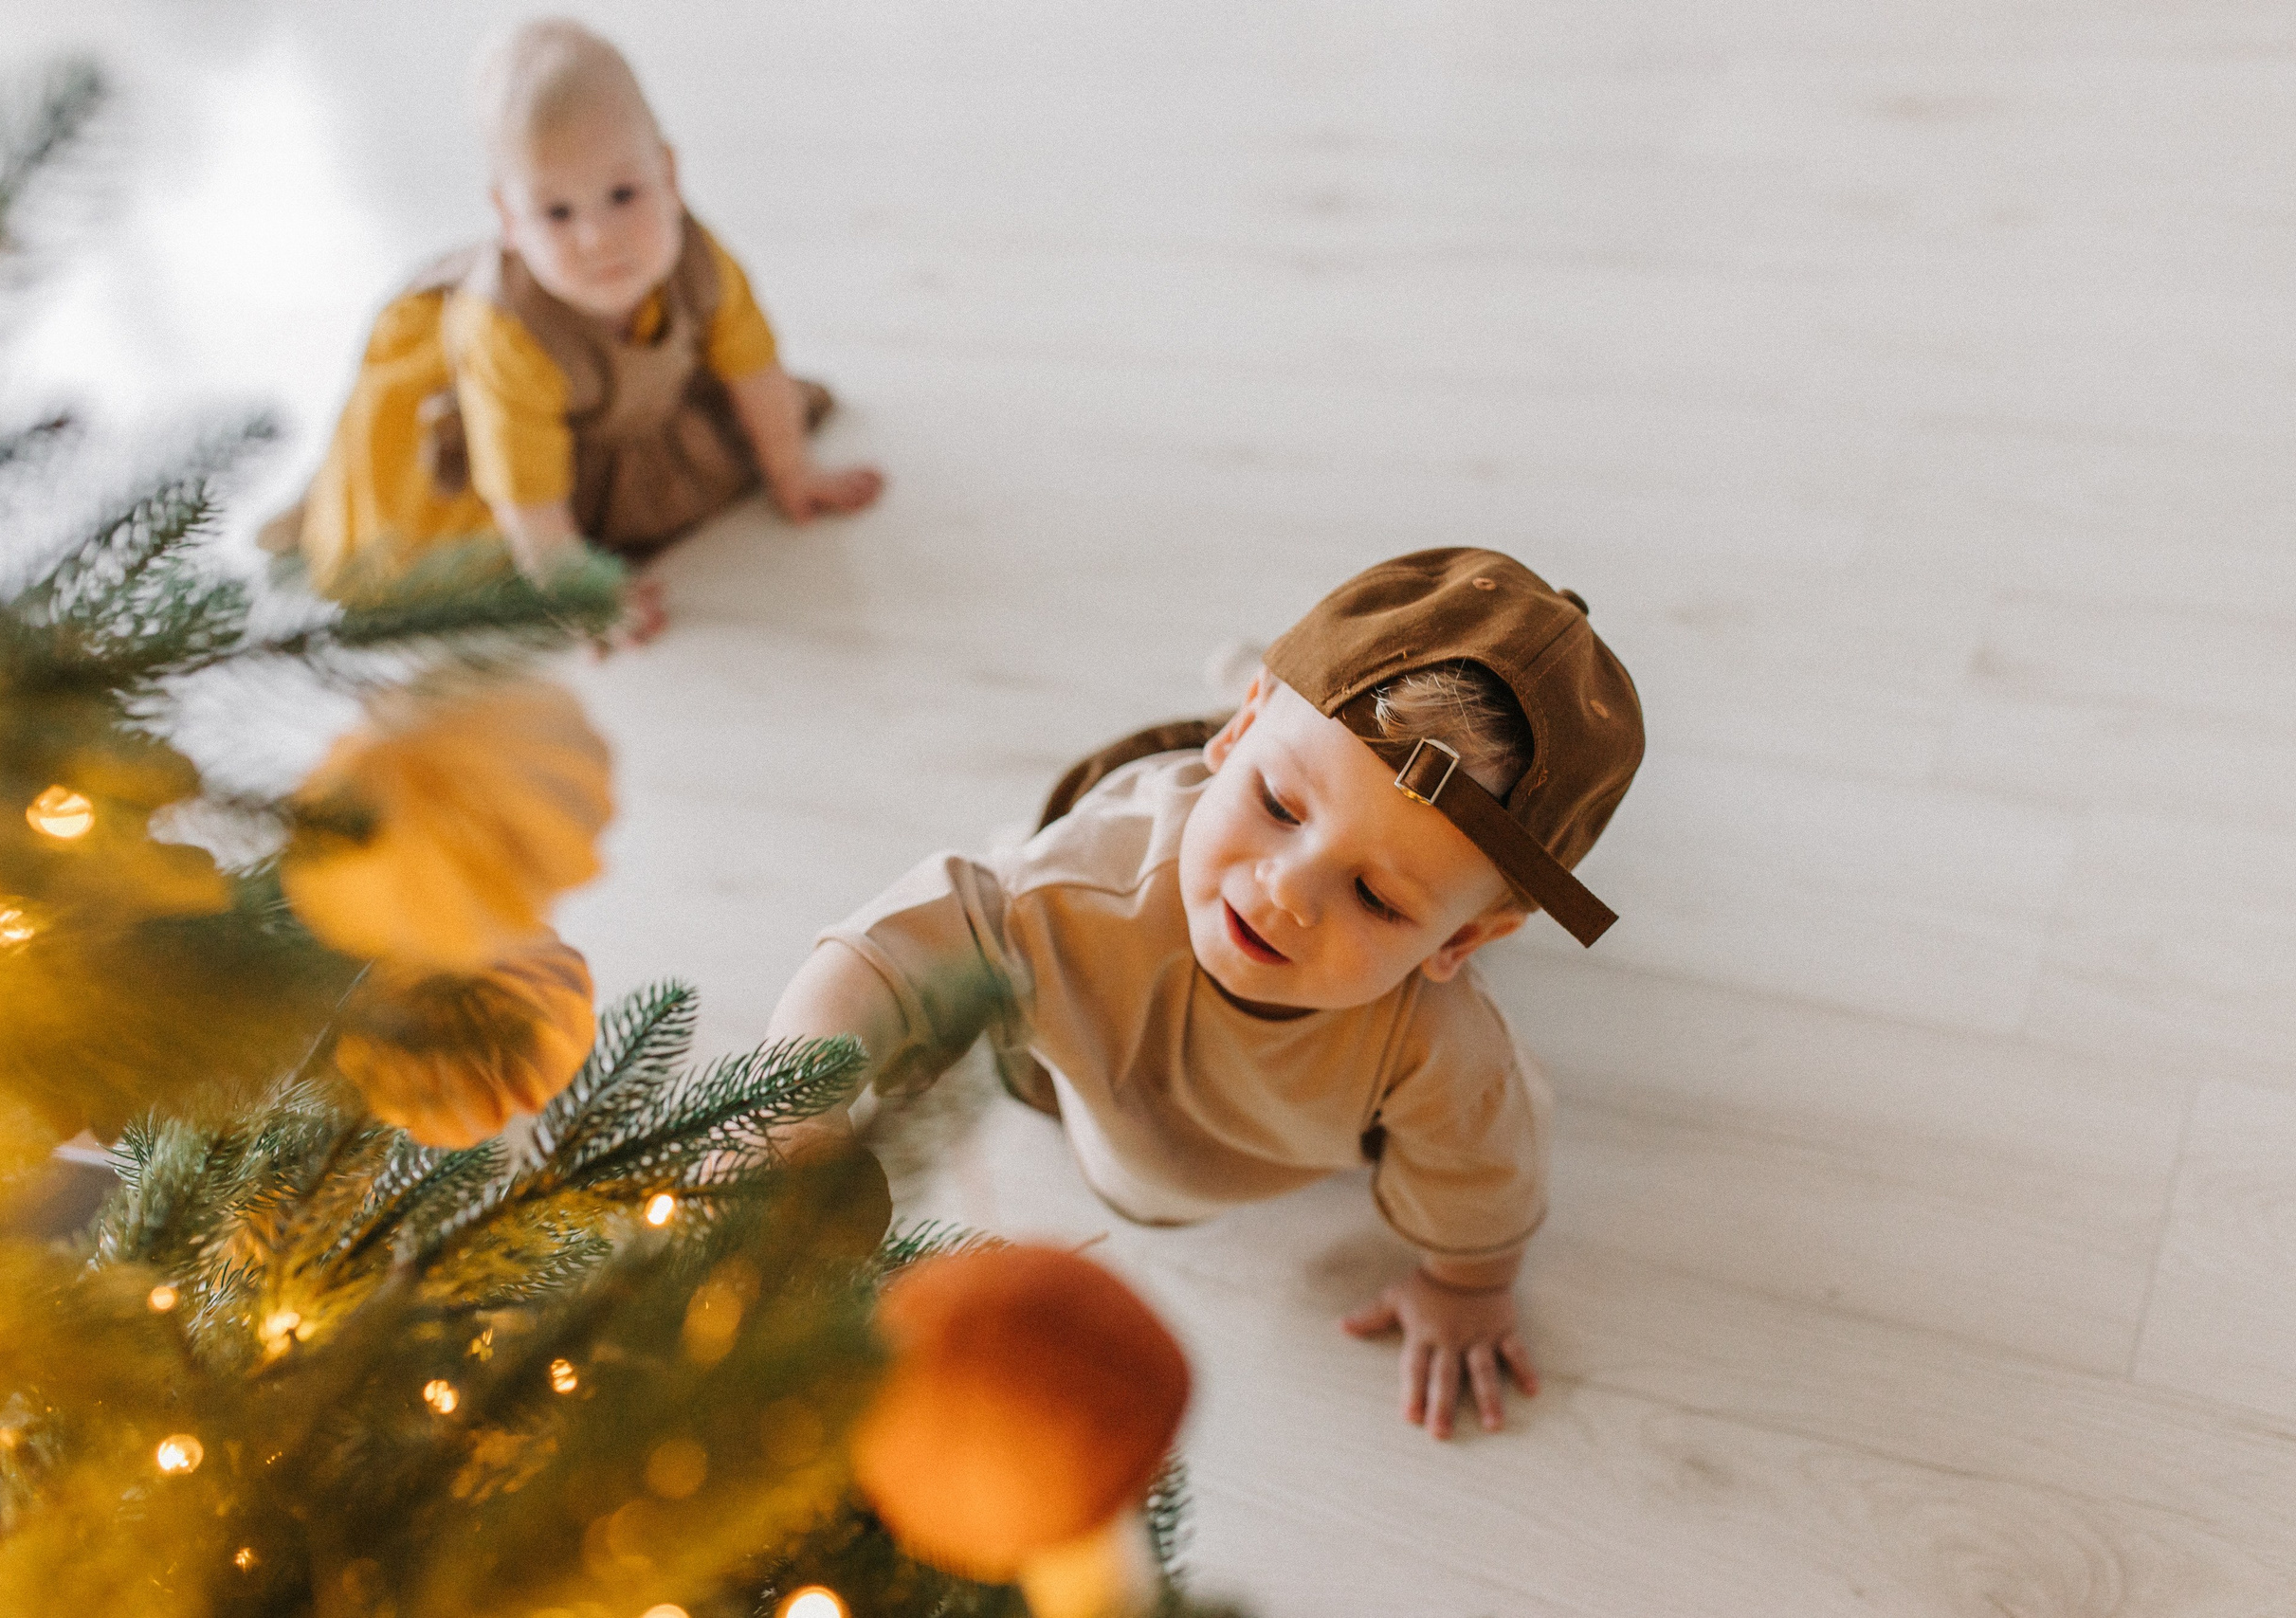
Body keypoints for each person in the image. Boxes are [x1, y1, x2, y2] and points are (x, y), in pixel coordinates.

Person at [771, 549, 1645, 1439]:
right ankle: (1246, 752)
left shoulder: (1443, 1049)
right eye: (1279, 806)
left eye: (1377, 897)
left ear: (1464, 939)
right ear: (1237, 733)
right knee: (1012, 970)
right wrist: (792, 1112)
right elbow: (888, 953)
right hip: (1082, 1034)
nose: (1286, 893)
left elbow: (1484, 1171)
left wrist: (1470, 1285)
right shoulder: (1076, 892)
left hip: (1247, 1096)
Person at [269, 17, 883, 640]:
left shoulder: (697, 258)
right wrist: (581, 595)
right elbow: (525, 494)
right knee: (444, 566)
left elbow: (752, 363)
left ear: (669, 176)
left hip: (630, 406)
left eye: (623, 194)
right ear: (509, 218)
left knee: (742, 422)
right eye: (557, 212)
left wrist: (793, 470)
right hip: (515, 460)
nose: (598, 239)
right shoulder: (505, 331)